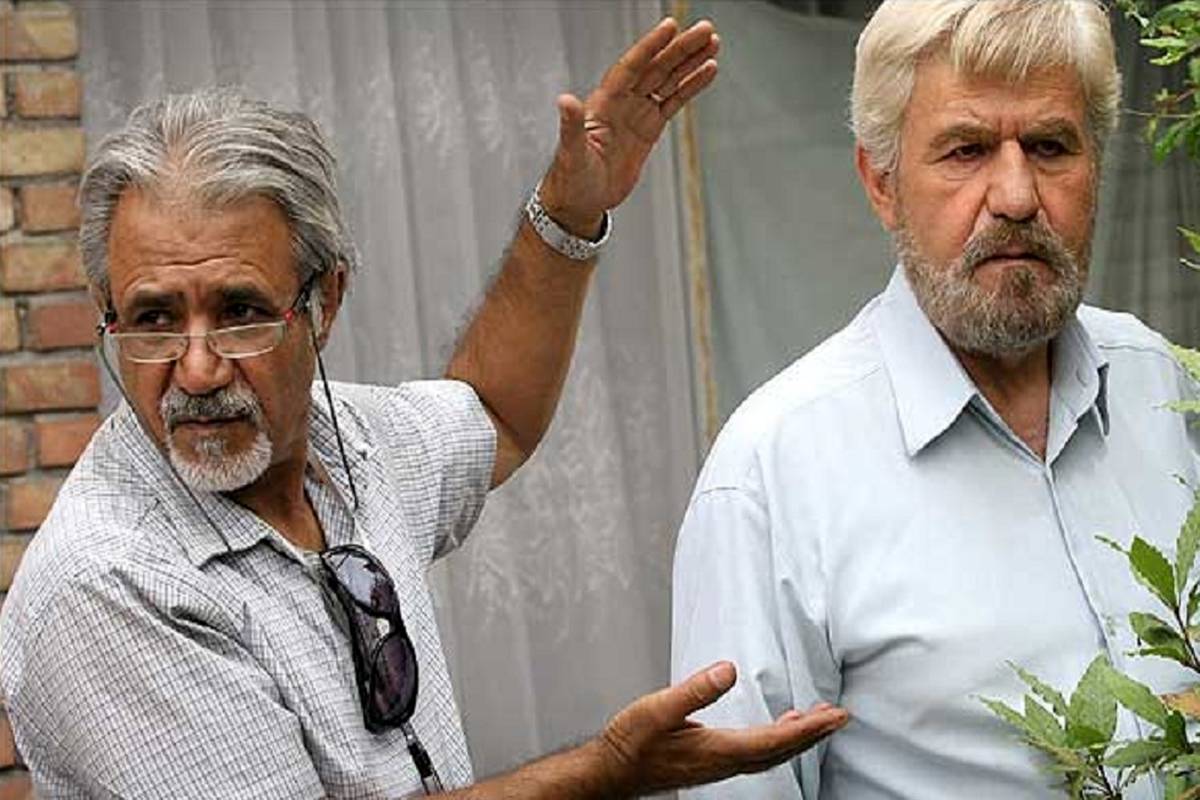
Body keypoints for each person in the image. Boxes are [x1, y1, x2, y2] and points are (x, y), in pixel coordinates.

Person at [0, 18, 848, 799]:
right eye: (153, 320)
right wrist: (608, 770)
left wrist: (567, 212)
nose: (196, 367)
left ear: (326, 302)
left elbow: (494, 413)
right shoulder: (108, 582)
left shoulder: (346, 442)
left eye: (240, 311)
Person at [671, 1, 1197, 798]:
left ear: (1097, 165)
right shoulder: (774, 476)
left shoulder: (1162, 386)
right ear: (881, 183)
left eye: (1050, 146)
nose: (1015, 195)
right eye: (966, 150)